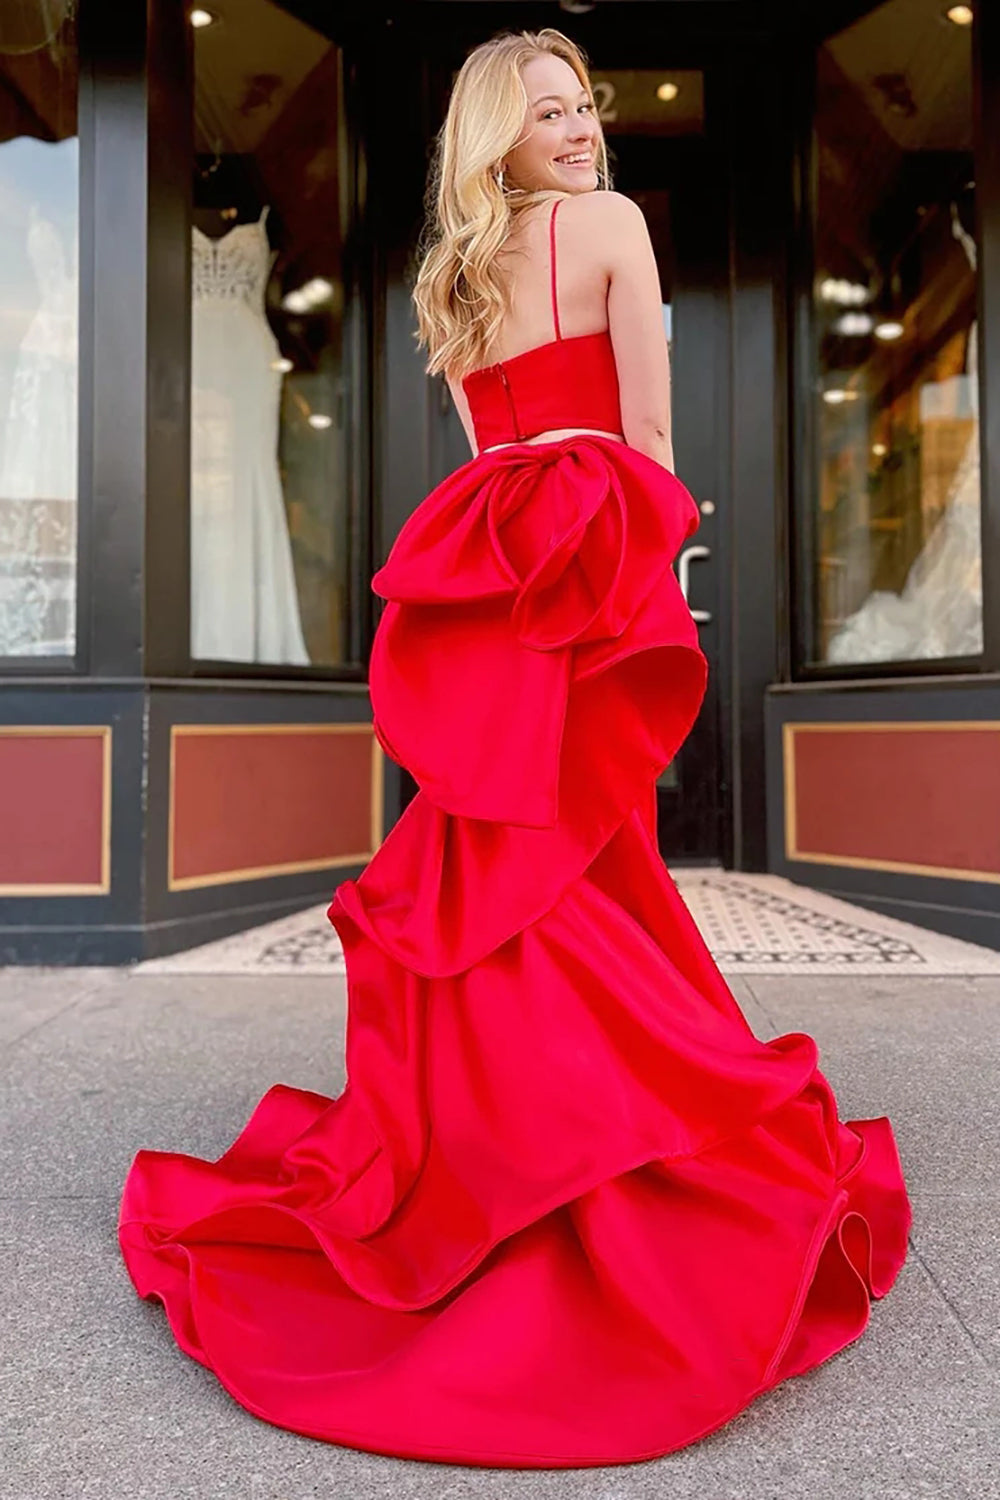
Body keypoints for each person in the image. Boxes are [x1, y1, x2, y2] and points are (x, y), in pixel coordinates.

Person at [118, 28, 912, 1468]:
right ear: (500, 131)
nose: (585, 131)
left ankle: (497, 1129)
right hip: (582, 561)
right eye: (551, 113)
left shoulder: (456, 273)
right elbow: (649, 428)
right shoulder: (612, 230)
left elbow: (492, 439)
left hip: (484, 572)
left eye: (586, 107)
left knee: (497, 849)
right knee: (578, 853)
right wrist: (661, 587)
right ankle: (584, 1127)